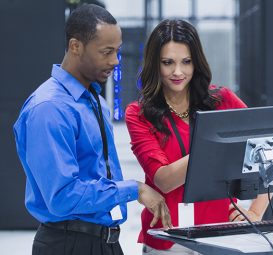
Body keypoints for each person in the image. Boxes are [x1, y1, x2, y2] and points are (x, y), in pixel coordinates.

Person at [13, 4, 171, 255]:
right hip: (68, 244)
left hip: (104, 241)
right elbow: (63, 196)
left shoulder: (95, 100)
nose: (115, 61)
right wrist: (135, 189)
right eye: (106, 52)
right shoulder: (49, 108)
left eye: (117, 51)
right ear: (75, 46)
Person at [125, 19, 271, 255]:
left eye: (186, 62)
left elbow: (270, 150)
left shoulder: (222, 101)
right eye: (167, 63)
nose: (178, 72)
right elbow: (164, 179)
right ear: (155, 64)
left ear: (196, 62)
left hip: (220, 235)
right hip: (168, 241)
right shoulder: (139, 113)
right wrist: (217, 147)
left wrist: (256, 211)